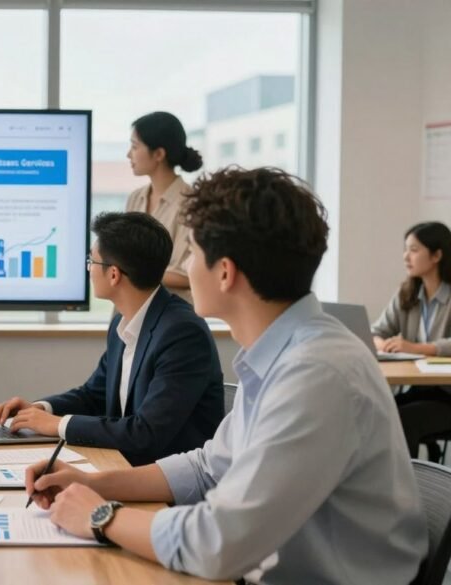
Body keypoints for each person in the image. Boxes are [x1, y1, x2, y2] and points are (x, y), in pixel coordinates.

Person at [24, 167, 426, 584]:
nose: (181, 269)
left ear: (225, 272)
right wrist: (96, 483)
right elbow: (207, 469)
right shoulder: (284, 353)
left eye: (191, 253)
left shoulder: (317, 373)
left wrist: (99, 515)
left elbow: (219, 543)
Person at [0, 212, 223, 466]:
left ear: (114, 275)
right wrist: (42, 409)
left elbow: (146, 433)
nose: (89, 269)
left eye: (92, 261)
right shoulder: (122, 324)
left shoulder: (182, 334)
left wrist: (58, 425)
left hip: (165, 486)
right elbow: (94, 395)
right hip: (122, 466)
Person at [372, 221, 451, 459]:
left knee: (405, 421)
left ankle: (406, 493)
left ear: (437, 255)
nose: (406, 256)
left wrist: (416, 348)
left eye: (414, 250)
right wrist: (383, 344)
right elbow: (377, 330)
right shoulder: (407, 294)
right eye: (405, 249)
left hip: (448, 395)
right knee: (378, 413)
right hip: (422, 389)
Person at [125, 111, 203, 303]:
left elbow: (189, 274)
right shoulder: (136, 198)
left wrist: (130, 273)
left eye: (134, 147)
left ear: (159, 154)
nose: (128, 154)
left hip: (172, 316)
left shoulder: (192, 204)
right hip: (131, 311)